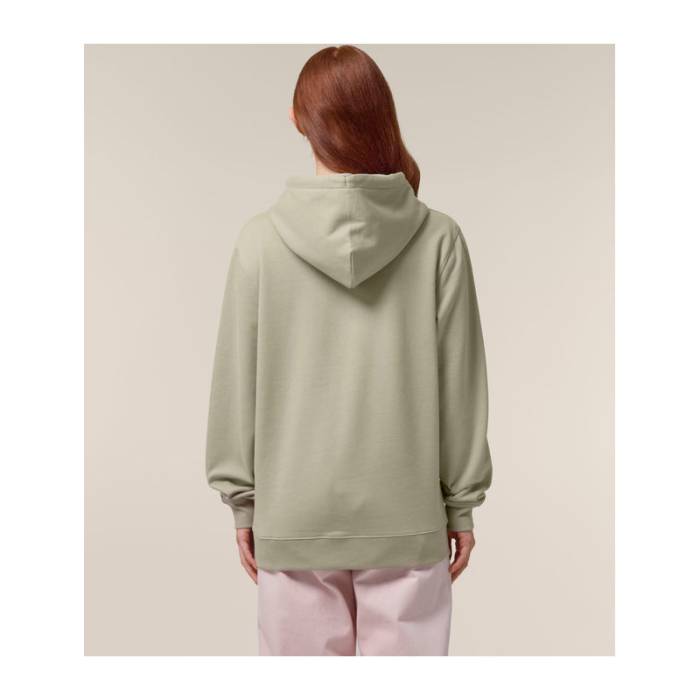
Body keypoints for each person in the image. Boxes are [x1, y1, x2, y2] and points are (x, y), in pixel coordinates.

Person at [205, 45, 493, 656]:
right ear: (381, 116)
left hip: (294, 519)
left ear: (297, 119)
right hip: (407, 519)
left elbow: (236, 381)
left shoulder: (259, 242)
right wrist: (461, 506)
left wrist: (244, 503)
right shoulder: (439, 238)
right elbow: (460, 386)